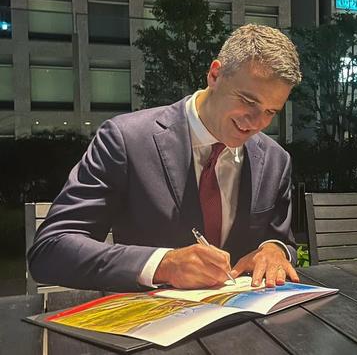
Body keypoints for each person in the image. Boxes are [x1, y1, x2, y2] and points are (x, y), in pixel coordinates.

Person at [28, 24, 302, 292]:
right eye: (248, 101)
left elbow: (280, 240)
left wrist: (275, 251)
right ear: (215, 75)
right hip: (149, 326)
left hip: (247, 327)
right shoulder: (127, 140)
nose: (256, 123)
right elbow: (50, 250)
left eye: (270, 112)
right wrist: (163, 265)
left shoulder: (276, 161)